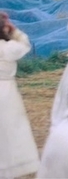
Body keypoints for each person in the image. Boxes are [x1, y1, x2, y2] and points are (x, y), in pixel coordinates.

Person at [0, 13, 39, 179]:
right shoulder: (8, 48)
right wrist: (14, 30)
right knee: (10, 128)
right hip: (6, 91)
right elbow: (25, 43)